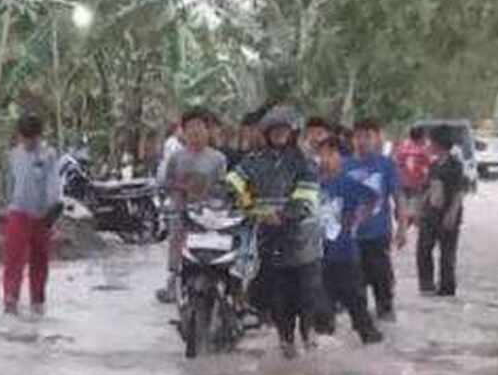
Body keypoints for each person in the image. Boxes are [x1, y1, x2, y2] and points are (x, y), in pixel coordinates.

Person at [226, 104, 323, 359]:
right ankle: (286, 343)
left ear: (292, 133)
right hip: (270, 241)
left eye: (284, 130)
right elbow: (232, 183)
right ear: (267, 133)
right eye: (274, 130)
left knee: (306, 296)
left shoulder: (304, 162)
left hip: (302, 241)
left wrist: (283, 215)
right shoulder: (254, 161)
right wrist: (239, 202)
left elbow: (307, 197)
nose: (279, 134)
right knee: (279, 298)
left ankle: (309, 337)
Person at [314, 134, 384, 344]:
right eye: (322, 154)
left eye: (331, 154)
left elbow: (374, 197)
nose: (325, 159)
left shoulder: (349, 182)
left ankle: (369, 338)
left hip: (346, 254)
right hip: (319, 254)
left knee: (357, 304)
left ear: (341, 157)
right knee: (320, 306)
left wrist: (359, 218)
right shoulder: (313, 184)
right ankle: (324, 344)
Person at [156, 107, 229, 304]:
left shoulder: (218, 159)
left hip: (208, 214)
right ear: (184, 131)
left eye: (199, 127)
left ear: (208, 130)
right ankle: (174, 283)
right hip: (181, 211)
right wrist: (181, 187)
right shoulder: (176, 157)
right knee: (178, 245)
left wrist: (210, 193)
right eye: (190, 127)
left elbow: (223, 187)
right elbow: (165, 182)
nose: (195, 132)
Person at [0, 114, 64, 317]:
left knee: (40, 260)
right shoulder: (13, 155)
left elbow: (53, 184)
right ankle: (10, 299)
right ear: (19, 136)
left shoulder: (49, 156)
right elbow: (8, 184)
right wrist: (4, 210)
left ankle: (37, 302)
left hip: (42, 215)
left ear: (39, 136)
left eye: (32, 138)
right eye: (25, 138)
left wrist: (53, 211)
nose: (28, 142)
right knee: (13, 259)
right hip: (18, 212)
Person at [347, 118, 407, 322]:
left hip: (378, 233)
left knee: (381, 276)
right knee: (355, 280)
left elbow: (398, 197)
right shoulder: (344, 164)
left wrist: (402, 228)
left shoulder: (386, 164)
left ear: (376, 139)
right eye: (358, 136)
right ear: (352, 139)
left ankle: (385, 309)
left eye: (368, 136)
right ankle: (361, 318)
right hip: (351, 235)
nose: (362, 141)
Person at [417, 126, 470, 297]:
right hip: (430, 214)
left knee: (447, 253)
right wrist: (419, 210)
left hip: (448, 213)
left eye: (430, 142)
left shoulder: (455, 165)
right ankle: (427, 285)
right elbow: (428, 189)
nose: (428, 145)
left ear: (438, 144)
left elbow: (459, 192)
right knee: (423, 248)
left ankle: (447, 288)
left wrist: (452, 214)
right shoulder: (433, 165)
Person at [394, 125, 432, 230]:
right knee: (413, 213)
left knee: (403, 211)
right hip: (416, 186)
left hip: (401, 184)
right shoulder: (423, 151)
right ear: (421, 137)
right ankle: (410, 223)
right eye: (424, 136)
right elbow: (430, 167)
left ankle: (403, 223)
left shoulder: (401, 147)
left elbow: (395, 163)